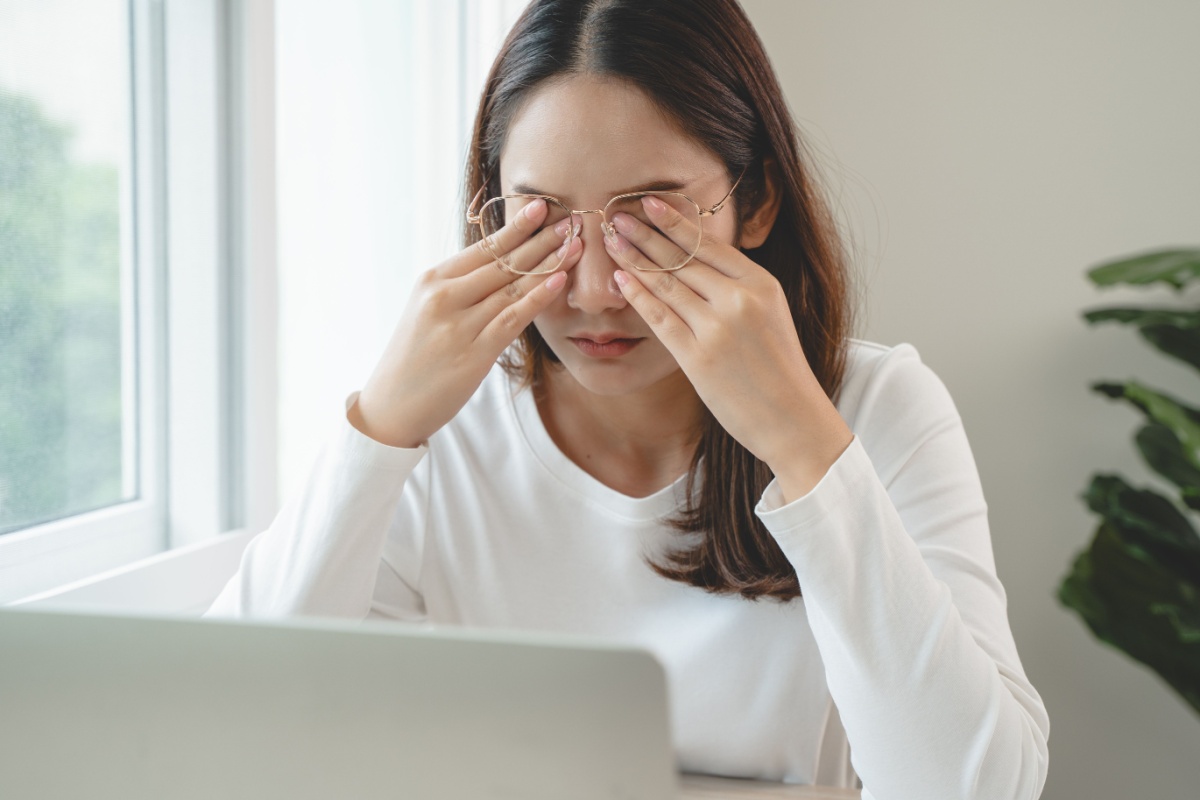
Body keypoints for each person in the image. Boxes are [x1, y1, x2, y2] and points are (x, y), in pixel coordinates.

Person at [207, 1, 1050, 797]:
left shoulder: (875, 408)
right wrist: (379, 431)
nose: (598, 290)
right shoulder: (446, 431)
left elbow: (972, 787)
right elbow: (215, 741)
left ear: (753, 203)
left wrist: (801, 442)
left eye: (646, 220)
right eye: (543, 218)